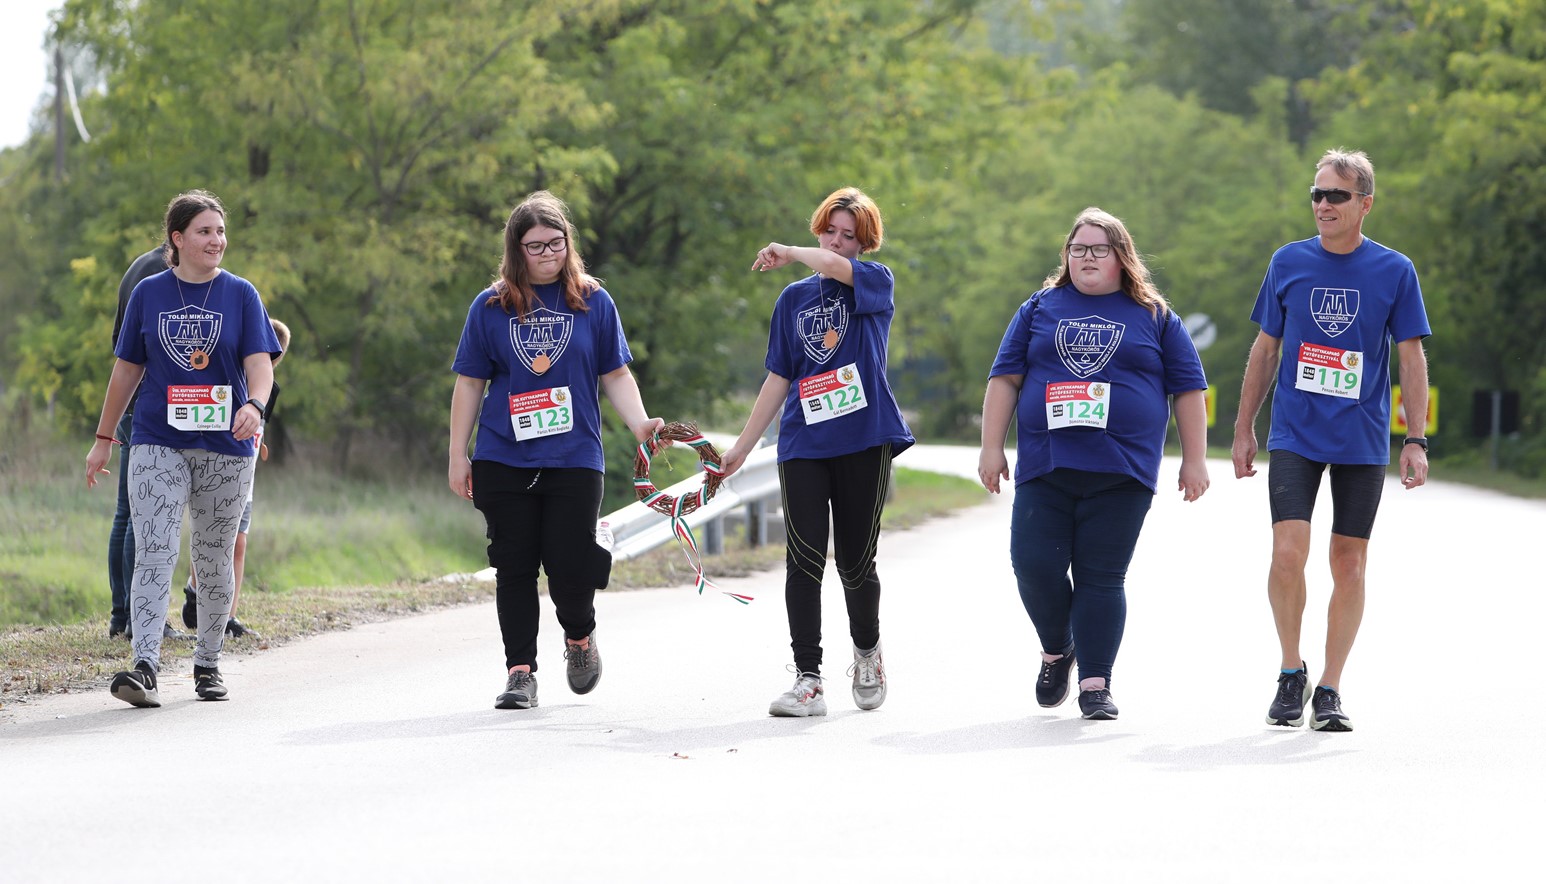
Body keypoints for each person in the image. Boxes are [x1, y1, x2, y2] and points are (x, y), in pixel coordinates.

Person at [978, 207, 1209, 721]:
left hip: (1122, 472)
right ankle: (1058, 648)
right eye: (1077, 248)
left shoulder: (1154, 315)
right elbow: (1005, 378)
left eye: (1098, 249)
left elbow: (1189, 390)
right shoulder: (1039, 308)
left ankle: (1095, 684)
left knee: (1101, 577)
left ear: (1121, 257)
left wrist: (1194, 460)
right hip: (1047, 465)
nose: (1086, 257)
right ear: (1066, 256)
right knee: (1033, 565)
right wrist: (991, 447)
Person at [1232, 148, 1431, 732]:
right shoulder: (1288, 262)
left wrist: (1415, 439)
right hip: (1294, 432)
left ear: (1365, 203)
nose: (1323, 204)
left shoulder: (1395, 271)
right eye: (1317, 194)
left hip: (1361, 440)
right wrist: (1244, 427)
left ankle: (1329, 688)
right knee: (1287, 554)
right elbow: (1265, 349)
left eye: (1336, 195)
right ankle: (1290, 672)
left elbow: (1411, 356)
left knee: (1349, 564)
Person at [448, 190, 663, 711]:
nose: (546, 254)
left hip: (574, 457)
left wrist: (640, 424)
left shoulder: (592, 301)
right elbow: (471, 383)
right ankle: (520, 673)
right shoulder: (491, 305)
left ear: (568, 244)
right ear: (515, 250)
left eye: (555, 244)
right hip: (503, 455)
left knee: (569, 566)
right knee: (514, 566)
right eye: (534, 246)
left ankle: (580, 637)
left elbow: (615, 372)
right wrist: (458, 453)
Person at [720, 186, 914, 718]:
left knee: (855, 561)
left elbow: (832, 265)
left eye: (849, 236)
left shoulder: (874, 282)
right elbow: (779, 377)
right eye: (829, 230)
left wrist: (792, 251)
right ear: (818, 229)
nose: (836, 241)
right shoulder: (793, 299)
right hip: (803, 442)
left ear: (863, 243)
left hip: (863, 440)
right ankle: (808, 679)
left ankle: (868, 653)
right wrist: (741, 447)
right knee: (803, 560)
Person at [85, 189, 282, 708]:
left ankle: (208, 662)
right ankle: (145, 664)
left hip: (226, 446)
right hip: (156, 440)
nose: (216, 240)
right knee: (155, 549)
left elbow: (260, 363)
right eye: (204, 231)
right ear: (178, 238)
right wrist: (104, 439)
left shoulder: (241, 295)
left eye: (220, 231)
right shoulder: (149, 293)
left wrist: (256, 407)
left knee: (214, 557)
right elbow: (126, 369)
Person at [181, 317, 291, 639]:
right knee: (208, 538)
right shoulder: (224, 379)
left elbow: (258, 428)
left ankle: (228, 617)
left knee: (238, 543)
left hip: (247, 473)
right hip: (216, 467)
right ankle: (194, 590)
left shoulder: (269, 389)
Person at [106, 244, 192, 643]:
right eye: (202, 230)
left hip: (135, 402)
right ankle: (141, 619)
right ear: (180, 235)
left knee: (126, 513)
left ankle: (122, 616)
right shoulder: (161, 273)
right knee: (142, 515)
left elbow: (117, 339)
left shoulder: (140, 261)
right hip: (146, 404)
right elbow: (143, 345)